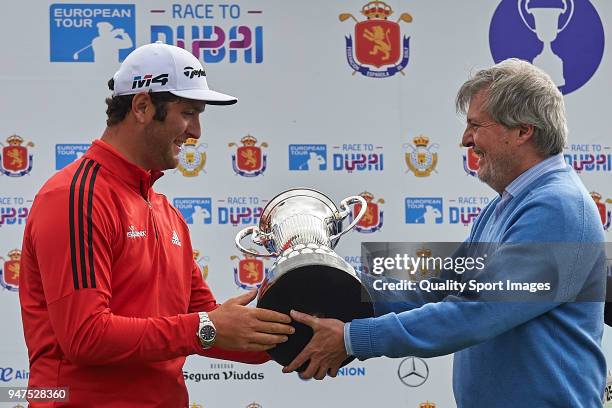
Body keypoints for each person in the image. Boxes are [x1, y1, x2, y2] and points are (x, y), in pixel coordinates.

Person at [283, 59, 607, 407]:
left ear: (523, 131)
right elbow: (439, 288)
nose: (466, 139)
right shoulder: (509, 203)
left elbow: (478, 311)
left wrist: (352, 339)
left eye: (475, 125)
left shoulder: (556, 206)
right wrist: (332, 281)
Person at [19, 42, 294, 407]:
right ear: (142, 106)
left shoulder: (165, 212)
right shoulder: (75, 196)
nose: (196, 130)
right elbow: (85, 336)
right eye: (188, 113)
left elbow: (213, 331)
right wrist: (206, 328)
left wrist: (316, 334)